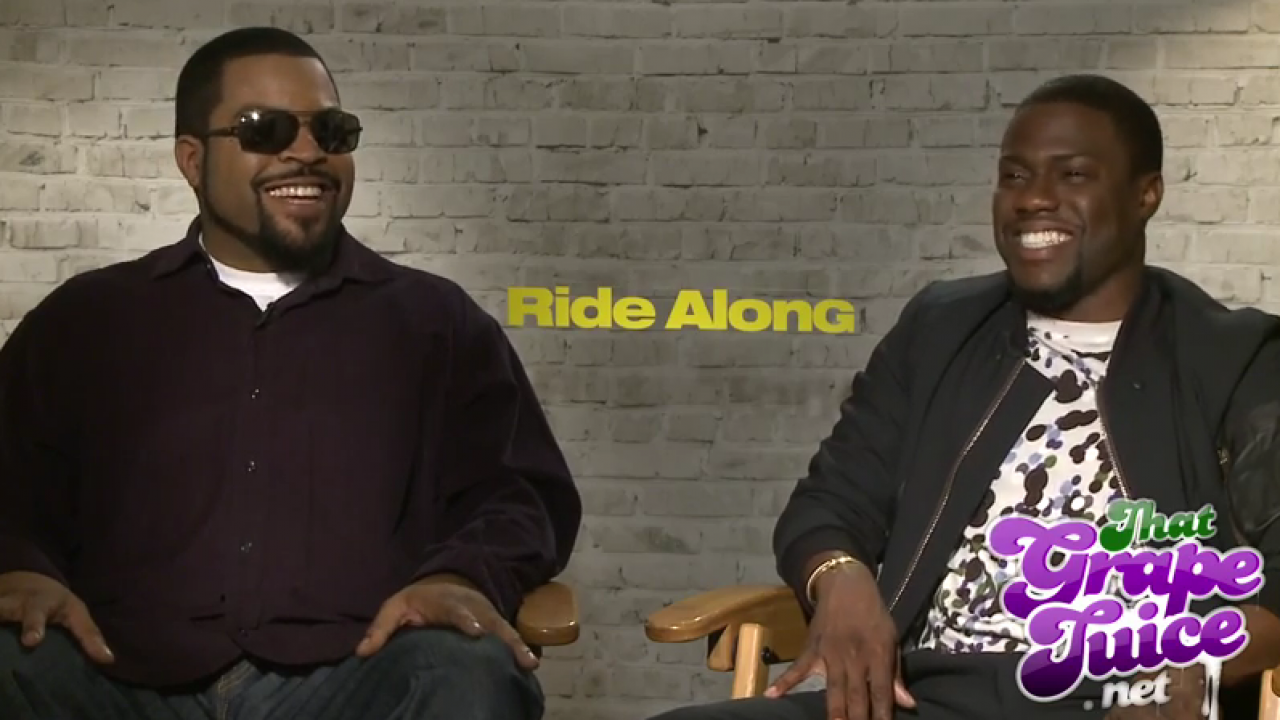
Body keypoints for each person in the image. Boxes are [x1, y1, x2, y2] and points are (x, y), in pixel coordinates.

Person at [650, 74, 1280, 720]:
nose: (1034, 198)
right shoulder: (940, 329)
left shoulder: (1231, 357)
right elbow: (831, 501)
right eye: (1014, 176)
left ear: (1146, 194)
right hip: (918, 698)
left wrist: (1194, 672)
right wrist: (839, 576)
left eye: (1072, 175)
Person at [0, 26, 581, 720]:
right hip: (117, 673)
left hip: (353, 672)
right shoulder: (88, 319)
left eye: (331, 131)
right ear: (192, 159)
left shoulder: (437, 323)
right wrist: (20, 566)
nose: (307, 152)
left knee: (470, 670)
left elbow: (521, 494)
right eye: (264, 129)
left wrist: (461, 576)